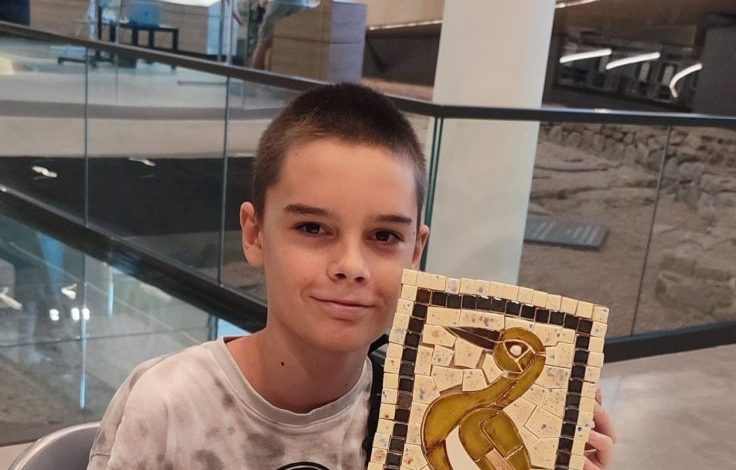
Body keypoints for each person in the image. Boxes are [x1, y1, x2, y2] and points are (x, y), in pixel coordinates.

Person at [86, 83, 615, 469]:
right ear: (255, 233)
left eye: (384, 236)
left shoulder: (419, 416)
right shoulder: (169, 406)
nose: (352, 266)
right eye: (313, 228)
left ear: (415, 252)